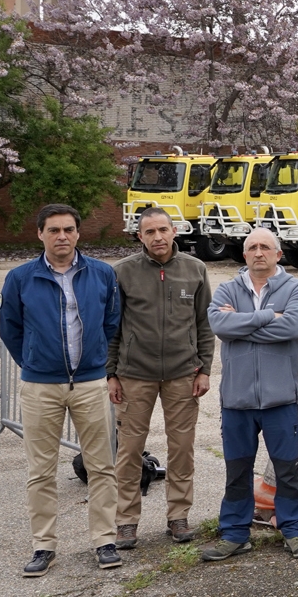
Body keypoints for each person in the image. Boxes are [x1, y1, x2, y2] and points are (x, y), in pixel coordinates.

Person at [0, 204, 123, 576]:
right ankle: (43, 546)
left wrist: (95, 361)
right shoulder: (20, 278)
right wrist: (35, 362)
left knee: (101, 466)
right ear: (40, 234)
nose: (62, 237)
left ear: (78, 233)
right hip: (41, 387)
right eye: (54, 230)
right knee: (40, 471)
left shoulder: (101, 274)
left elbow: (111, 322)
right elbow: (11, 328)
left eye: (68, 229)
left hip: (89, 383)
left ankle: (104, 540)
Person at [201, 229, 298, 561]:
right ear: (245, 254)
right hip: (237, 402)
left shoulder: (296, 289)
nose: (259, 252)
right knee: (237, 472)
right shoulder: (227, 288)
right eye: (252, 247)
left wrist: (242, 324)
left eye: (266, 247)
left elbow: (290, 328)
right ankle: (235, 533)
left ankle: (294, 530)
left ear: (279, 254)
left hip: (281, 400)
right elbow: (220, 326)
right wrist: (266, 317)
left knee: (287, 472)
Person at [106, 207, 213, 550]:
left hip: (183, 375)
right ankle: (126, 522)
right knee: (129, 451)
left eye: (163, 230)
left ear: (174, 230)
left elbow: (204, 325)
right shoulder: (123, 273)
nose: (158, 237)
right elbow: (112, 329)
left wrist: (205, 368)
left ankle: (178, 516)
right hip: (134, 375)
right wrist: (111, 373)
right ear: (140, 237)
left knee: (181, 448)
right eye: (149, 232)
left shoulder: (194, 270)